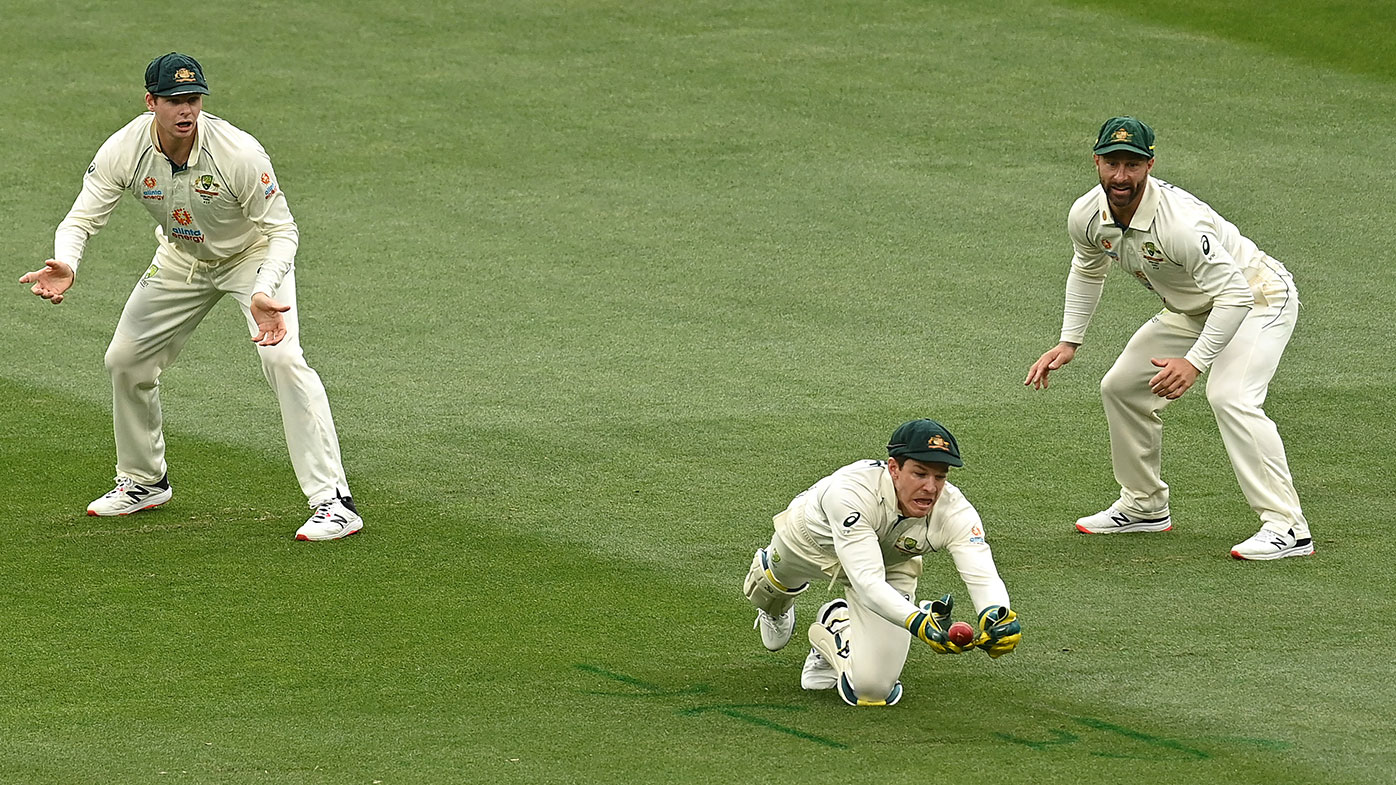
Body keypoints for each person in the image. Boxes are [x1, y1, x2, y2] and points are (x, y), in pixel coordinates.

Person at [19, 52, 361, 541]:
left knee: (283, 360)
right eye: (175, 100)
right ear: (150, 102)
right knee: (126, 360)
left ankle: (335, 502)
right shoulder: (125, 148)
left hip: (252, 259)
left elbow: (283, 230)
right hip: (181, 260)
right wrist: (66, 262)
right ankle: (144, 481)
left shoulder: (238, 153)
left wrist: (264, 289)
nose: (186, 110)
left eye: (194, 99)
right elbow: (82, 217)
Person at [1025, 116, 1309, 561]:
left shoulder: (1180, 224)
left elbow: (1234, 296)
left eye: (1133, 165)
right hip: (1193, 309)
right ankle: (1144, 505)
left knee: (1231, 396)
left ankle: (1287, 527)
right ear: (1096, 161)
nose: (1121, 176)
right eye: (1113, 163)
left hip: (1258, 297)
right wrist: (1069, 341)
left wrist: (1194, 362)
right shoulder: (1086, 215)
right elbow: (1087, 267)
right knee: (1121, 388)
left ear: (1150, 164)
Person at [741, 419, 1021, 707]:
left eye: (940, 477)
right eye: (920, 473)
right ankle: (774, 603)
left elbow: (982, 574)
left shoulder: (954, 510)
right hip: (808, 545)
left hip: (889, 565)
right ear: (894, 468)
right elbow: (867, 582)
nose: (930, 487)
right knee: (768, 591)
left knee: (872, 691)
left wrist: (997, 616)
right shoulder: (850, 492)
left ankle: (836, 626)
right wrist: (919, 622)